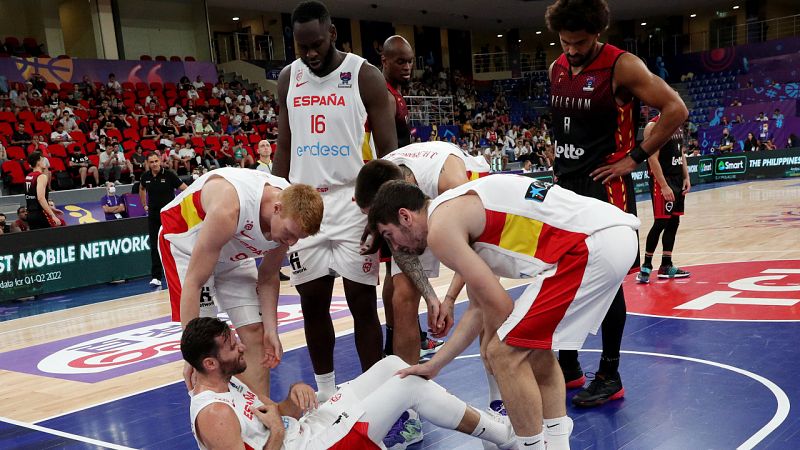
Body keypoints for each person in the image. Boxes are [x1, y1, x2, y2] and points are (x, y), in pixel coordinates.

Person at [369, 176, 639, 449]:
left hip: (591, 246)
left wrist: (493, 351)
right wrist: (434, 364)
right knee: (530, 349)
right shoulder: (455, 210)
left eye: (390, 236)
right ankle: (557, 439)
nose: (397, 248)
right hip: (609, 237)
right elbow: (478, 308)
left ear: (405, 216)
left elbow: (501, 307)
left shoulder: (440, 230)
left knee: (504, 354)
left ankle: (532, 445)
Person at [544, 0, 688, 407]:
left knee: (607, 282)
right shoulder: (557, 68)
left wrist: (635, 158)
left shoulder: (622, 66)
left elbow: (676, 109)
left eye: (580, 42)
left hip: (606, 189)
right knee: (565, 276)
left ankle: (610, 374)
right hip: (566, 187)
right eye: (565, 42)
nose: (572, 49)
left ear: (597, 33)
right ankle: (569, 366)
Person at [272, 0, 397, 405]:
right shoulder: (288, 78)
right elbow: (284, 146)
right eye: (302, 46)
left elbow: (388, 155)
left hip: (351, 201)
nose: (310, 53)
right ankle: (326, 396)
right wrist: (273, 199)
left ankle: (374, 397)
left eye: (317, 44)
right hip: (303, 202)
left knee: (362, 303)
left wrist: (380, 211)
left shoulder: (364, 74)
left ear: (332, 34)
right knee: (312, 303)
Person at [183, 317, 516, 450]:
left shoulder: (229, 382)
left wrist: (294, 395)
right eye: (232, 346)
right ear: (210, 363)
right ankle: (505, 437)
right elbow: (276, 428)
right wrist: (280, 432)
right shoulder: (214, 414)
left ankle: (492, 430)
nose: (242, 347)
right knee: (409, 385)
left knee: (393, 366)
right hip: (313, 446)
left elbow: (275, 413)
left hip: (307, 431)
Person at [161, 168, 323, 404]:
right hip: (187, 242)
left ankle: (258, 413)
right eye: (289, 234)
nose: (291, 242)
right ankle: (216, 420)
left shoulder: (289, 215)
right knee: (207, 348)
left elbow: (268, 275)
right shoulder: (229, 207)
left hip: (233, 249)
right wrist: (190, 354)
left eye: (297, 238)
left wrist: (272, 330)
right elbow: (194, 282)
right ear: (277, 208)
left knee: (256, 332)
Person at [637, 115, 691, 282]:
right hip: (663, 180)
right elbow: (652, 158)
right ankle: (646, 266)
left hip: (677, 179)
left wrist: (686, 176)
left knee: (674, 221)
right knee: (661, 222)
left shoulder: (677, 123)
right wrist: (664, 185)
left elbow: (680, 153)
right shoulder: (653, 126)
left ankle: (666, 265)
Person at [139, 152, 187, 286]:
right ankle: (156, 277)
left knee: (174, 243)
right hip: (153, 216)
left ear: (160, 161)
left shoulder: (169, 175)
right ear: (148, 163)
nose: (154, 164)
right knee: (155, 245)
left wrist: (180, 205)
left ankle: (179, 273)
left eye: (156, 161)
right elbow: (141, 188)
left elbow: (185, 189)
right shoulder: (145, 177)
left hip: (169, 215)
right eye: (151, 162)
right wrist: (144, 205)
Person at [24, 151, 59, 230]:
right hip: (40, 214)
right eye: (43, 160)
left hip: (30, 214)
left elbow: (33, 197)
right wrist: (52, 215)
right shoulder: (41, 176)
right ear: (38, 162)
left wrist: (51, 209)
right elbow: (40, 198)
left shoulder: (28, 176)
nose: (45, 162)